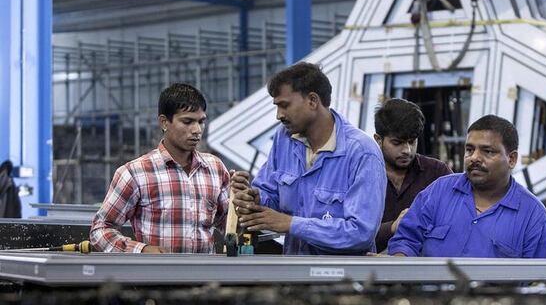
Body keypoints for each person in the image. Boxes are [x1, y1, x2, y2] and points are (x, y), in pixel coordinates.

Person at [231, 62, 386, 255]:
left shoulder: (362, 153)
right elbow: (270, 194)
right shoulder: (284, 139)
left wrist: (291, 224)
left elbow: (360, 233)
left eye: (284, 105)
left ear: (312, 100)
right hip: (294, 275)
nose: (279, 115)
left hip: (343, 281)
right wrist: (255, 198)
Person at [388, 115, 546, 258]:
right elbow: (405, 240)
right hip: (430, 296)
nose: (474, 158)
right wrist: (400, 261)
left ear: (511, 159)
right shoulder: (438, 192)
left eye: (487, 151)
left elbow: (541, 277)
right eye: (469, 150)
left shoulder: (532, 215)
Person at [90, 83, 230, 253]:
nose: (196, 130)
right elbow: (100, 230)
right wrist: (142, 250)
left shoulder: (215, 168)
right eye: (187, 121)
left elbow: (228, 224)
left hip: (206, 277)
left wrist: (244, 206)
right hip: (156, 277)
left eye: (201, 122)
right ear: (164, 122)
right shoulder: (135, 173)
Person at [373, 98, 451, 252]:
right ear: (378, 140)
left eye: (412, 141)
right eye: (397, 143)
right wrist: (392, 227)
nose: (407, 150)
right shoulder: (361, 174)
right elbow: (348, 232)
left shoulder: (437, 174)